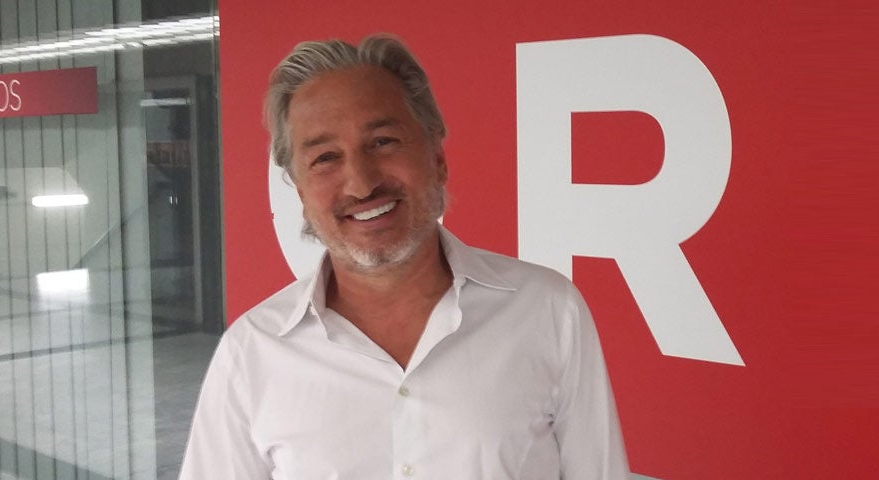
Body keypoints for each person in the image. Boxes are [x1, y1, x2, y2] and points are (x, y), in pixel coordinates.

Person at [179, 34, 629, 479]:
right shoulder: (251, 351)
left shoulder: (547, 309)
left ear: (437, 158)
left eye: (383, 142)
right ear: (300, 191)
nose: (361, 183)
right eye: (326, 158)